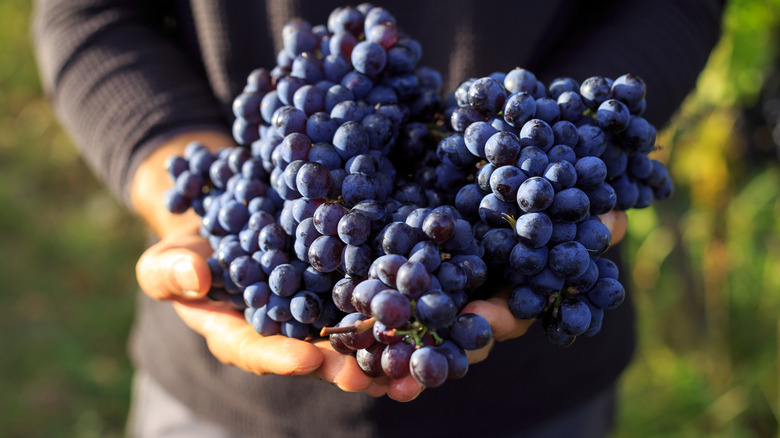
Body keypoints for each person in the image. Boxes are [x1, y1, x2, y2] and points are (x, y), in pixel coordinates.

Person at [31, 1, 723, 436]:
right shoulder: (318, 170)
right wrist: (166, 149)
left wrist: (581, 136)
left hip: (534, 389)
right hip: (221, 403)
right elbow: (85, 13)